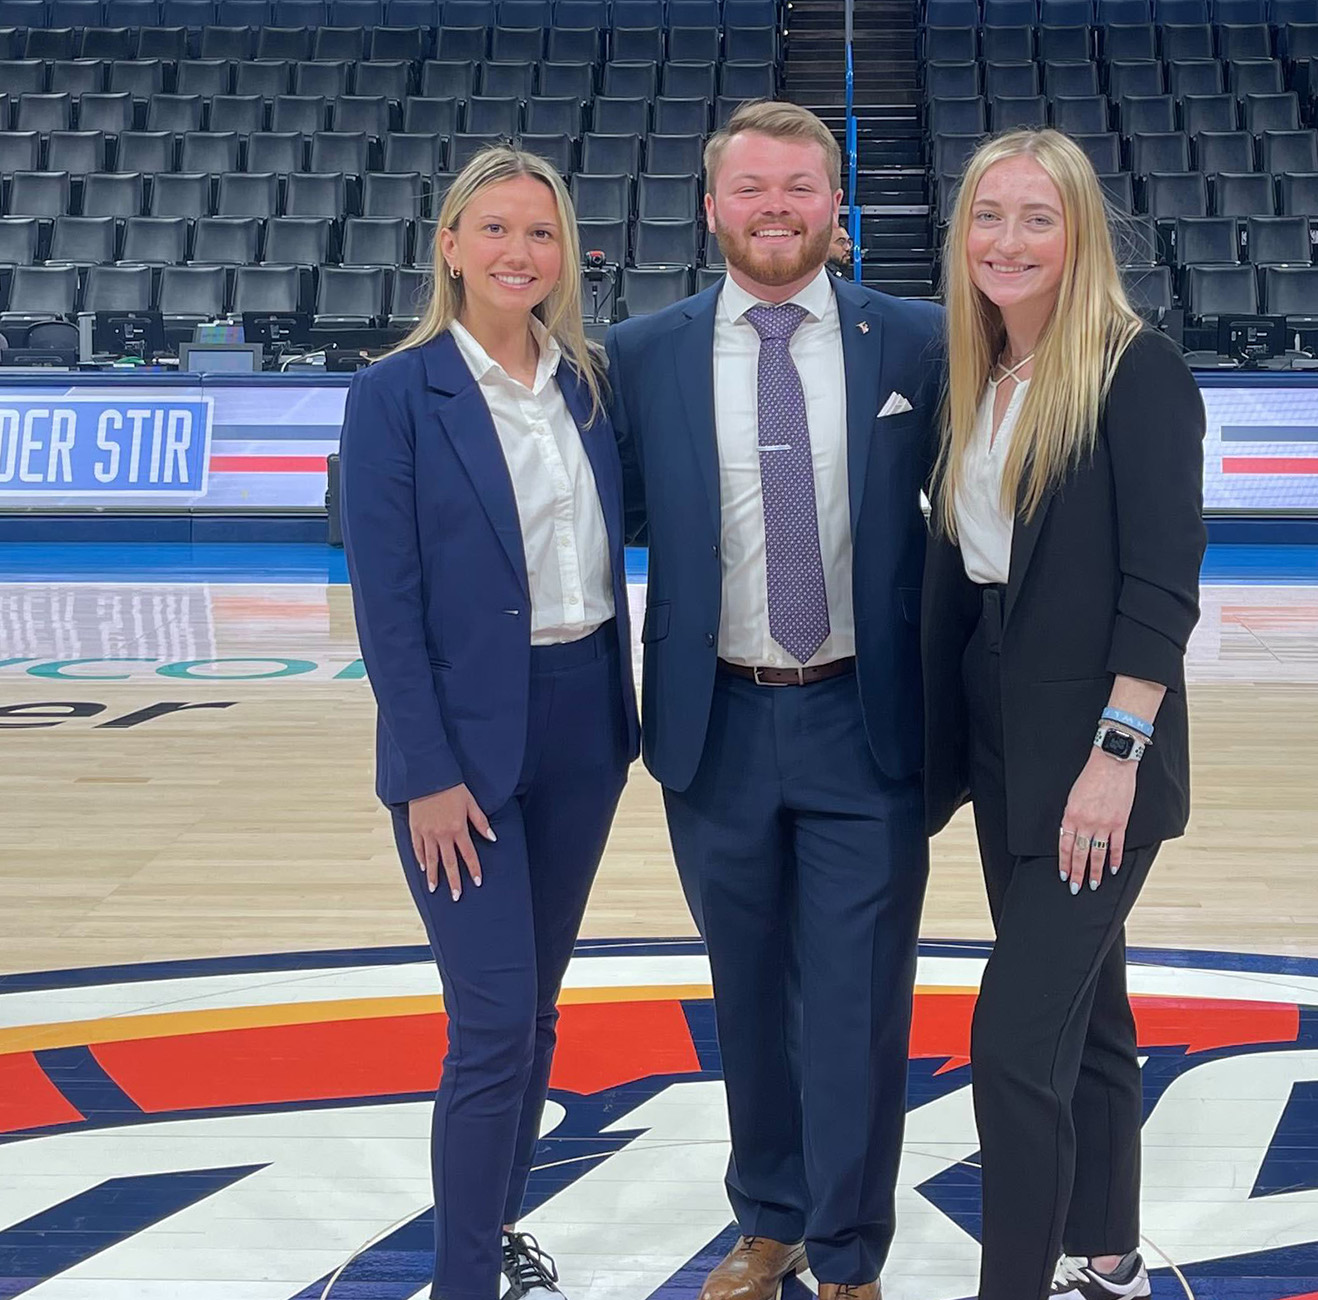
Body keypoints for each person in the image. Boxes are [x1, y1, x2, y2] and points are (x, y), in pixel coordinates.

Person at [606, 100, 946, 1300]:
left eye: (799, 186)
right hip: (718, 723)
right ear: (712, 209)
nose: (775, 209)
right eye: (751, 188)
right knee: (745, 991)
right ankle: (771, 1220)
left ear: (835, 204)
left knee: (857, 1002)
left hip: (867, 721)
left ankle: (851, 1253)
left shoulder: (916, 341)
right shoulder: (641, 354)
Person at [337, 145, 639, 1300]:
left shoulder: (589, 385)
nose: (521, 252)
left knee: (536, 1009)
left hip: (581, 730)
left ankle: (498, 1231)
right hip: (461, 749)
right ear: (451, 247)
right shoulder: (394, 394)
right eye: (498, 230)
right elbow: (387, 601)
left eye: (543, 233)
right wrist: (422, 770)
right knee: (494, 1019)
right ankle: (462, 1276)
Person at [919, 129, 1207, 1300]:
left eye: (1037, 217)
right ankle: (1110, 1257)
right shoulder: (972, 371)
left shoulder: (1136, 370)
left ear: (1079, 233)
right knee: (1089, 1017)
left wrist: (1117, 755)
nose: (1008, 240)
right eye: (988, 216)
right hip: (1002, 739)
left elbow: (1162, 582)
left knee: (1013, 1038)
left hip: (1098, 753)